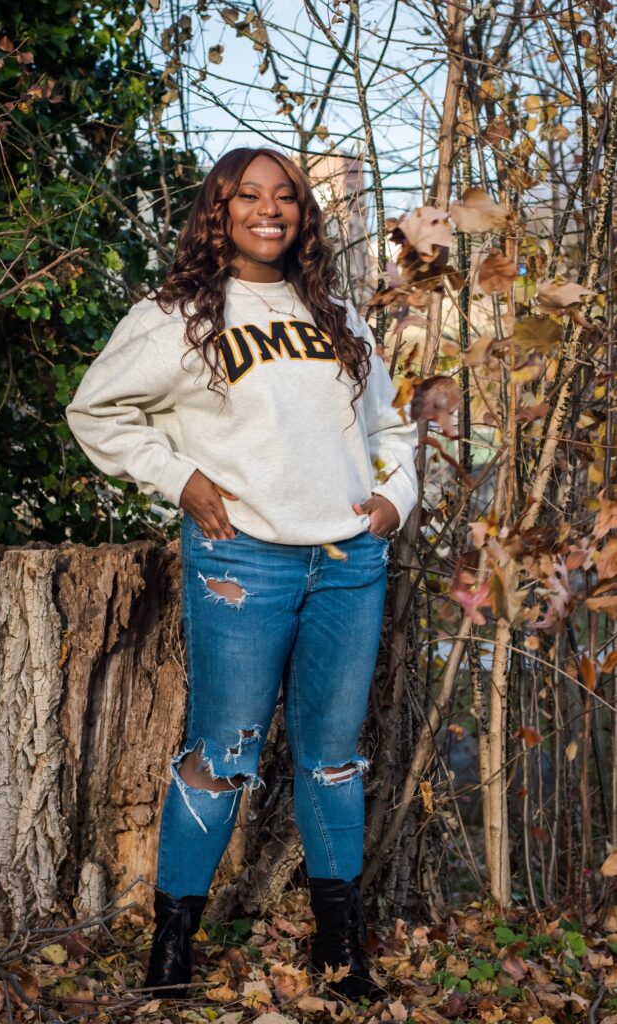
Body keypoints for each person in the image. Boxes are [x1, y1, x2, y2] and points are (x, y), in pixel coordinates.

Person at [65, 147, 419, 1002]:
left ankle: (341, 959)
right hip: (242, 561)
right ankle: (172, 953)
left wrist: (392, 502)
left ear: (304, 213)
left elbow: (394, 428)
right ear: (218, 211)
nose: (271, 209)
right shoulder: (177, 312)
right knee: (222, 754)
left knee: (333, 759)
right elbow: (96, 410)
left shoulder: (337, 315)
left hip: (346, 565)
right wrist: (181, 479)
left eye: (286, 196)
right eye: (249, 195)